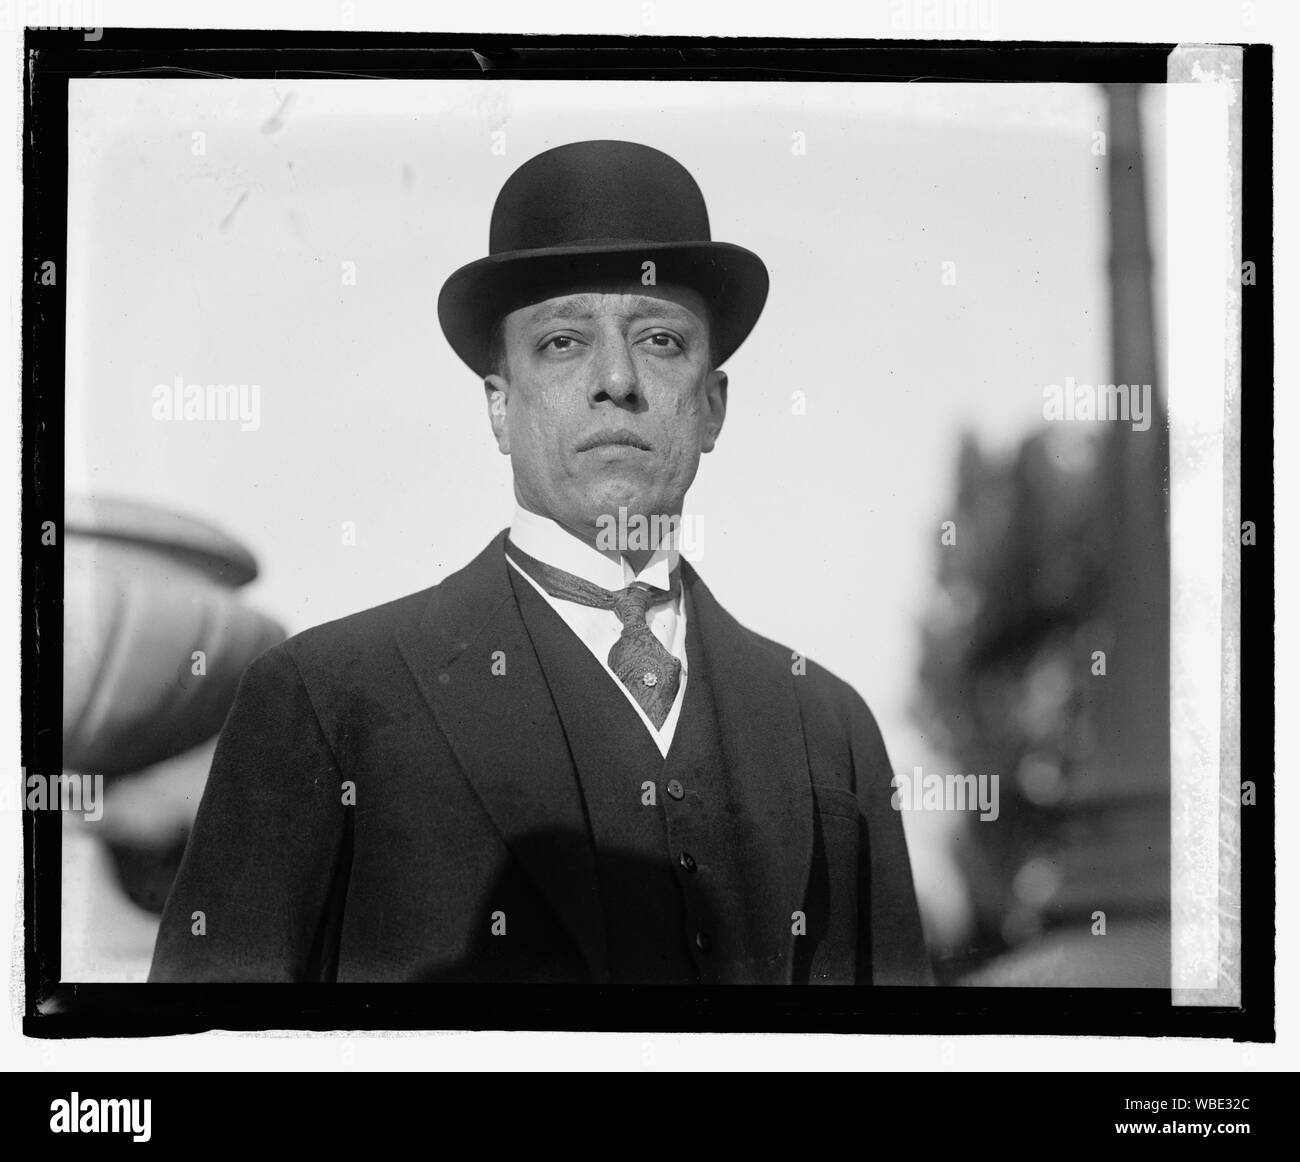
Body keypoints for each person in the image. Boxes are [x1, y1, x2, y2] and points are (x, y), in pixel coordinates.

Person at [150, 139, 930, 985]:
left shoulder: (830, 731)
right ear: (499, 406)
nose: (617, 379)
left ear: (712, 407)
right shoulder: (325, 702)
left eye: (662, 339)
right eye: (563, 342)